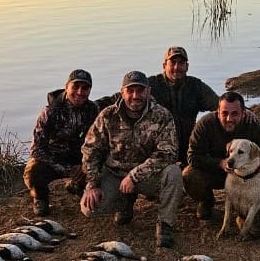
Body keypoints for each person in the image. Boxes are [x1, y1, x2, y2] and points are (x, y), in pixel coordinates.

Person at [80, 70, 183, 248]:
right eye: (131, 90)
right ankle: (125, 203)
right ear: (122, 92)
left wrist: (134, 176)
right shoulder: (107, 115)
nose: (136, 95)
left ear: (148, 91)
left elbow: (168, 153)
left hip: (146, 177)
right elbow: (90, 150)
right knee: (89, 209)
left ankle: (165, 224)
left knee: (173, 172)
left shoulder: (162, 115)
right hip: (115, 173)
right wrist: (92, 184)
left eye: (140, 90)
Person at [183, 90, 260, 223]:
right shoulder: (205, 124)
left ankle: (256, 205)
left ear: (244, 113)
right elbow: (192, 157)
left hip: (247, 177)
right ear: (218, 111)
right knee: (189, 175)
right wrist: (219, 163)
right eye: (224, 113)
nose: (229, 119)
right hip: (217, 173)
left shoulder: (253, 125)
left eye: (235, 114)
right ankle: (206, 202)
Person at [24, 69, 99, 218]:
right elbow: (36, 149)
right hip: (53, 158)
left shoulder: (93, 110)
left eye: (85, 88)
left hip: (79, 158)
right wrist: (66, 169)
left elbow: (97, 144)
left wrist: (85, 166)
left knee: (100, 174)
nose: (79, 92)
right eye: (75, 87)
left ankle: (76, 186)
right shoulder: (50, 111)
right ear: (66, 87)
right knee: (32, 171)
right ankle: (40, 198)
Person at [148, 45, 219, 164]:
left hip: (189, 145)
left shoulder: (195, 85)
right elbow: (124, 97)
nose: (177, 67)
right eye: (173, 63)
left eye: (181, 63)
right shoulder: (151, 85)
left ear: (187, 67)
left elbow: (219, 105)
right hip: (158, 146)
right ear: (164, 66)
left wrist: (245, 111)